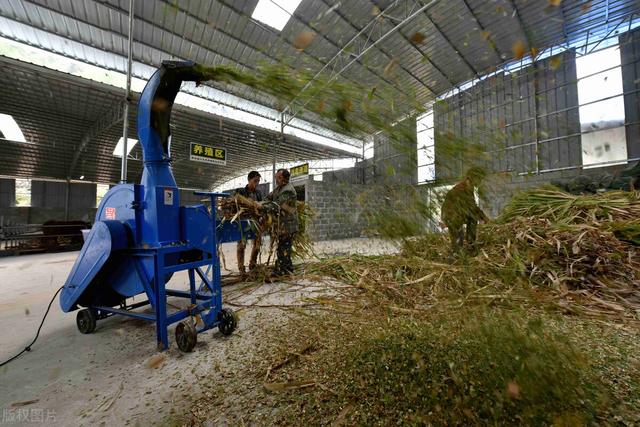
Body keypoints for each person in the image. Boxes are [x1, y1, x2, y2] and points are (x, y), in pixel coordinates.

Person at [441, 167, 489, 253]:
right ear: (472, 177)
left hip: (457, 214)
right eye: (480, 178)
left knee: (472, 219)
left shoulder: (469, 188)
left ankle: (470, 244)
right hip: (451, 215)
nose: (481, 181)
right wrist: (484, 218)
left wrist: (483, 217)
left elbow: (472, 206)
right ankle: (462, 249)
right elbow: (471, 207)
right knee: (458, 242)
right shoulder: (462, 188)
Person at [264, 168, 299, 276]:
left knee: (282, 248)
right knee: (285, 248)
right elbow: (268, 198)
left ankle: (280, 271)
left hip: (288, 225)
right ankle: (288, 268)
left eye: (278, 178)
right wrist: (261, 203)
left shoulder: (288, 190)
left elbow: (276, 205)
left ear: (285, 178)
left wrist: (262, 207)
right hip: (283, 224)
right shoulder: (278, 189)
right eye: (276, 178)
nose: (276, 180)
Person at [235, 171, 263, 274]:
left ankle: (253, 264)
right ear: (249, 180)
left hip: (255, 221)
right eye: (255, 181)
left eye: (258, 181)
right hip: (243, 221)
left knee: (257, 244)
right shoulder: (240, 191)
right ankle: (241, 268)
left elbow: (261, 206)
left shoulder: (258, 193)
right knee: (241, 245)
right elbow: (236, 204)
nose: (257, 183)